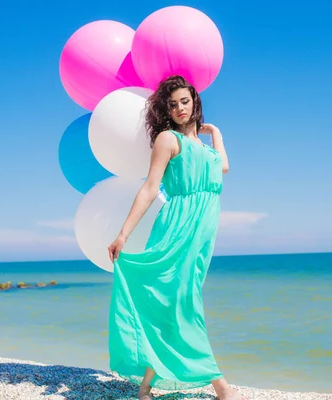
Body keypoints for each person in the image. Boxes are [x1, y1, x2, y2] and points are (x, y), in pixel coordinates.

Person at [107, 75, 245, 400]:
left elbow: (223, 166)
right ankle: (221, 386)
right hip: (177, 228)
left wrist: (216, 133)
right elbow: (150, 188)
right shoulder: (168, 140)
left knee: (176, 302)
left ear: (195, 101)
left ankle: (146, 386)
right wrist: (123, 234)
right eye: (173, 105)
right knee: (183, 302)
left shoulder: (204, 147)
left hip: (202, 234)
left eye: (185, 101)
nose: (180, 108)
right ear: (166, 111)